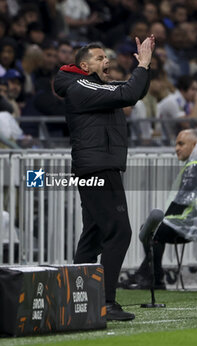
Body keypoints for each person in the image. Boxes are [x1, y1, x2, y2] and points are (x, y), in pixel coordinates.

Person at [54, 36, 155, 321]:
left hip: (96, 167)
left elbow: (132, 91)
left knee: (94, 234)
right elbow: (126, 94)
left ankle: (79, 300)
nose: (106, 61)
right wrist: (143, 65)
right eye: (100, 58)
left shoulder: (93, 85)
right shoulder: (80, 86)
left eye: (106, 57)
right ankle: (106, 302)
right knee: (119, 232)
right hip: (97, 168)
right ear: (84, 66)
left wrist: (144, 68)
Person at [126, 128, 197, 289]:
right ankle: (149, 274)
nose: (176, 148)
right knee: (156, 229)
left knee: (151, 229)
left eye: (181, 144)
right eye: (176, 144)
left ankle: (153, 277)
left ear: (194, 144)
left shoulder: (196, 166)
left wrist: (164, 220)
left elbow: (182, 203)